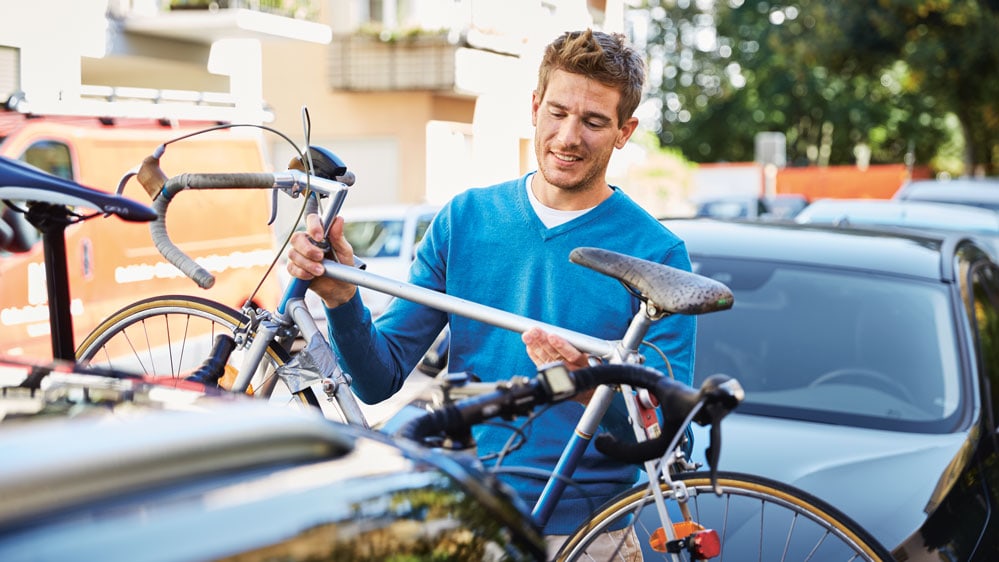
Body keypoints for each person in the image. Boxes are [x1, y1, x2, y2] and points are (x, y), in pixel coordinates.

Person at [286, 28, 696, 560]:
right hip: (467, 515)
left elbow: (667, 436)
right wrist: (343, 301)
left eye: (594, 121)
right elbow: (376, 378)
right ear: (533, 106)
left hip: (586, 536)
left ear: (624, 131)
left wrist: (581, 387)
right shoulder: (466, 219)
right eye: (557, 111)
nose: (569, 136)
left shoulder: (657, 255)